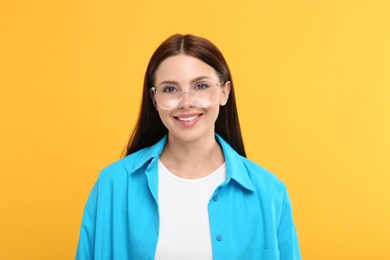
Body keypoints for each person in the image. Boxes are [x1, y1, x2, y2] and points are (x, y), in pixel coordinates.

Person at [75, 34, 301, 259]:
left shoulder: (270, 193)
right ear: (154, 99)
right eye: (170, 89)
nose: (186, 102)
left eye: (201, 86)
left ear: (224, 92)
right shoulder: (113, 184)